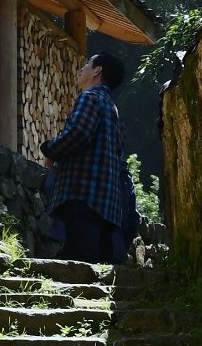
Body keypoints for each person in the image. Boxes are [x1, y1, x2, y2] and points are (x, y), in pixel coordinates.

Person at [36, 51, 139, 264]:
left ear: (97, 70)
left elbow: (78, 133)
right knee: (95, 261)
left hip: (82, 195)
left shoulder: (90, 97)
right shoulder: (112, 108)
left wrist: (49, 149)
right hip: (106, 204)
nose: (82, 68)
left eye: (87, 64)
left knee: (79, 260)